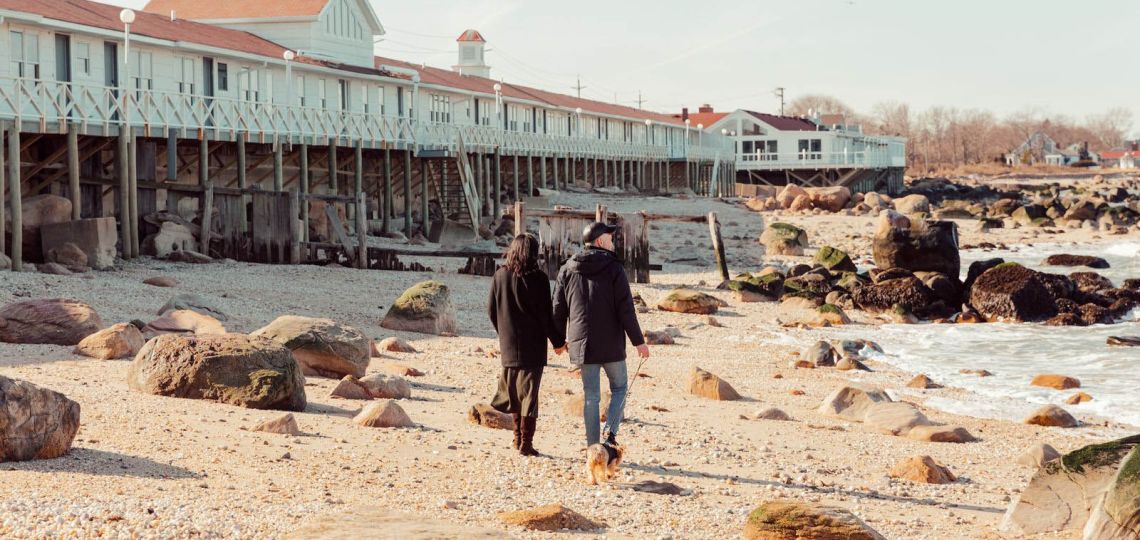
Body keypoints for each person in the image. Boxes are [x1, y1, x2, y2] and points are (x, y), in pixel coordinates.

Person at [553, 222, 650, 448]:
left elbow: (557, 308)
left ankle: (592, 447)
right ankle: (610, 436)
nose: (613, 242)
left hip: (582, 345)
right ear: (599, 242)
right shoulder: (614, 268)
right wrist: (639, 342)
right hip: (611, 345)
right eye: (610, 238)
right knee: (619, 389)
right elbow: (626, 309)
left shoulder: (567, 268)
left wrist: (558, 341)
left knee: (591, 397)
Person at [488, 233, 566, 456]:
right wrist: (558, 342)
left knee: (513, 393)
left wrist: (503, 333)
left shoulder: (499, 275)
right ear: (532, 252)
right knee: (529, 394)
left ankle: (516, 438)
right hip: (533, 344)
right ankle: (526, 443)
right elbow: (545, 317)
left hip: (509, 344)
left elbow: (491, 311)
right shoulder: (539, 278)